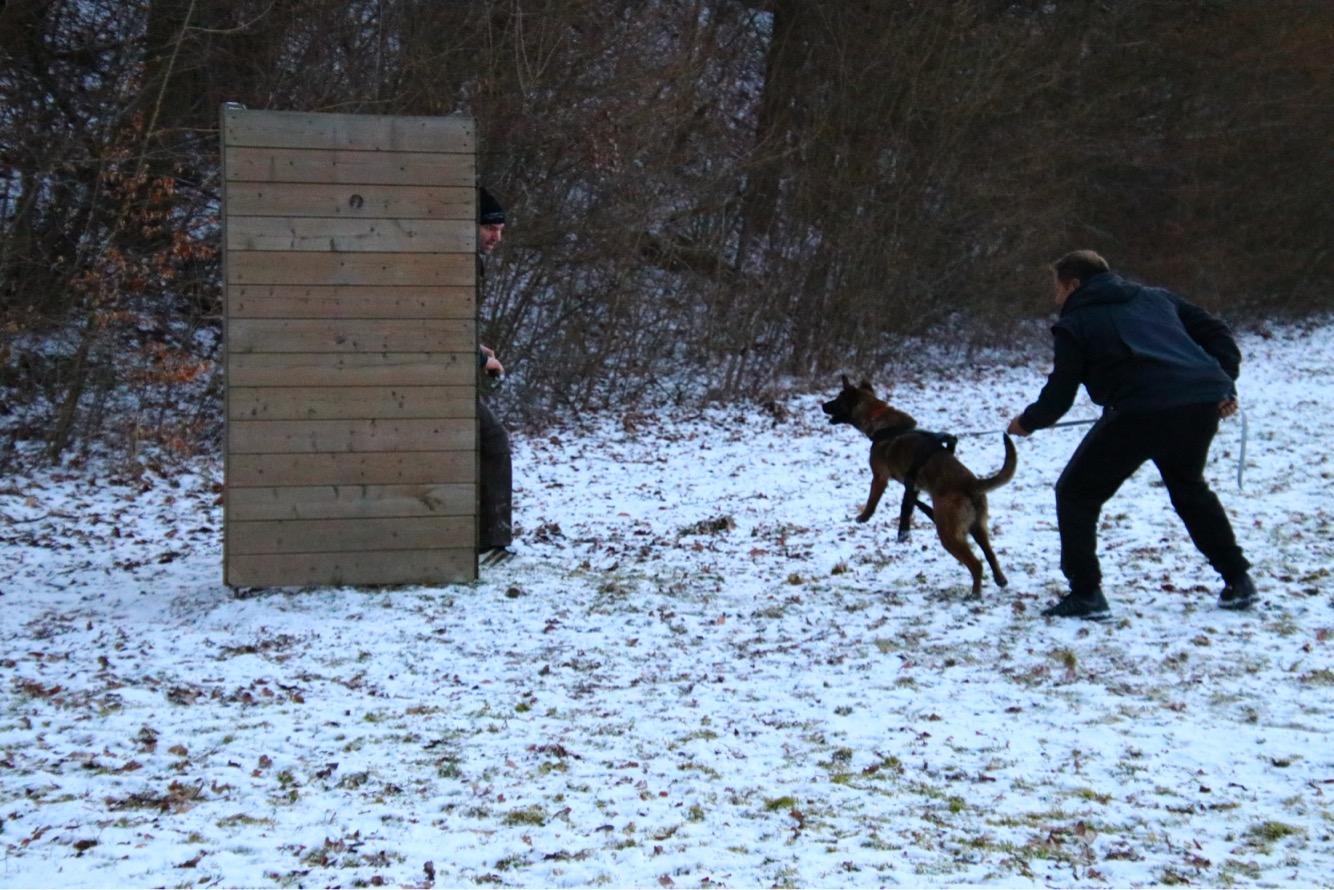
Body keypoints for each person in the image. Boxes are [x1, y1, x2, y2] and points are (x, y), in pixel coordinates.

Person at [1007, 250, 1255, 619]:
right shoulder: (1156, 298)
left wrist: (1027, 422)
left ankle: (1086, 594)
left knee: (1076, 493)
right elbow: (1216, 332)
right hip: (1197, 406)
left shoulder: (1075, 322)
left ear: (1073, 284)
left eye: (1056, 287)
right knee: (1189, 488)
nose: (1055, 296)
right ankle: (1238, 580)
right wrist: (1220, 384)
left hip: (1140, 413)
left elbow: (1061, 394)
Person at [475, 188, 513, 565]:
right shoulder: (463, 262)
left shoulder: (471, 261)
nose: (495, 238)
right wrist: (478, 359)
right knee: (494, 440)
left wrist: (479, 350)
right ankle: (492, 541)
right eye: (489, 228)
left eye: (500, 230)